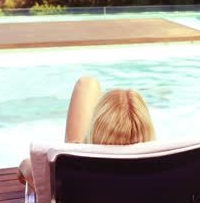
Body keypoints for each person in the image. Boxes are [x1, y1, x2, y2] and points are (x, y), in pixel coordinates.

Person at [17, 76, 156, 189]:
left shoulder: (63, 174)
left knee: (87, 84)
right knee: (87, 84)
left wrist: (24, 165)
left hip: (83, 170)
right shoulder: (164, 172)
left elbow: (29, 170)